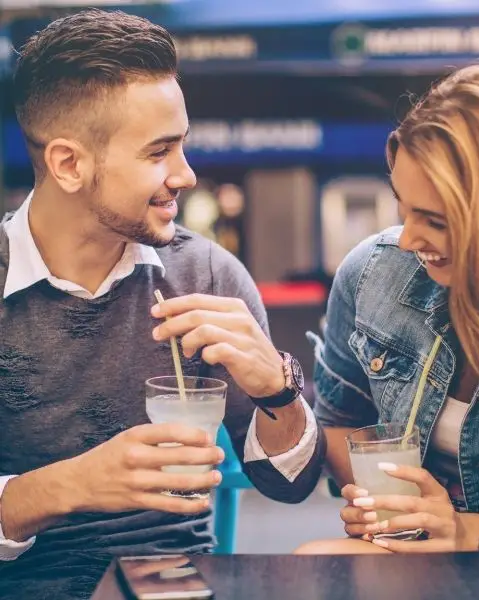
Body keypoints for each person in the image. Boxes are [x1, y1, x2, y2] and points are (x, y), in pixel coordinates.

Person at [0, 9, 325, 566]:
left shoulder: (206, 275)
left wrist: (278, 390)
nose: (186, 173)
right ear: (68, 165)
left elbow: (289, 485)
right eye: (158, 152)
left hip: (177, 582)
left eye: (182, 145)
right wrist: (68, 486)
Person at [296, 64, 479, 555]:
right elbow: (338, 425)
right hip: (429, 558)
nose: (409, 239)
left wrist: (472, 532)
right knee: (315, 560)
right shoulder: (373, 274)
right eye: (403, 206)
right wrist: (396, 508)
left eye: (435, 221)